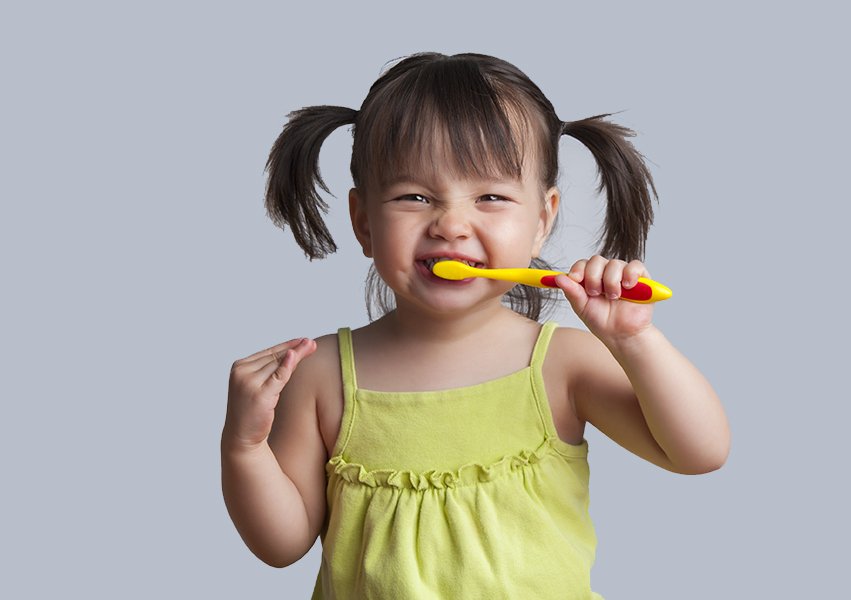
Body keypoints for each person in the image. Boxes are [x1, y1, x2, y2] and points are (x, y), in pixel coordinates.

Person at [220, 51, 730, 599]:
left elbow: (698, 452)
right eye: (414, 196)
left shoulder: (562, 364)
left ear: (541, 221)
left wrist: (635, 341)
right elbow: (282, 545)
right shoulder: (319, 374)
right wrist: (244, 447)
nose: (451, 225)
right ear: (364, 222)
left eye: (490, 197)